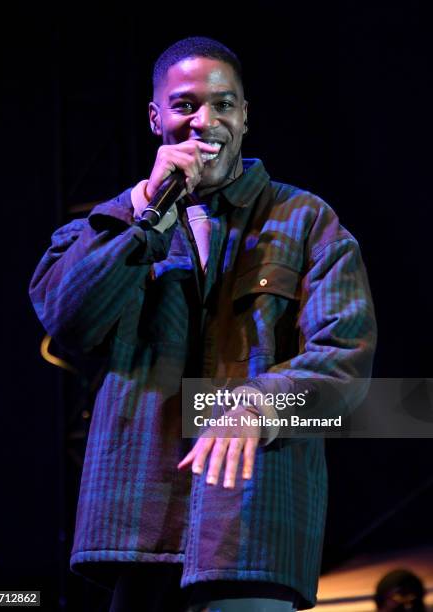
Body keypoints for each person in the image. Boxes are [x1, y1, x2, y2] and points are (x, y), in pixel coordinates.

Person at [29, 36, 377, 611]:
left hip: (253, 523)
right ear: (155, 117)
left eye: (224, 104)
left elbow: (346, 363)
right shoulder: (107, 225)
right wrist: (146, 217)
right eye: (186, 104)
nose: (204, 121)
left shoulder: (307, 219)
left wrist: (259, 405)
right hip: (136, 530)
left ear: (244, 117)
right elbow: (70, 322)